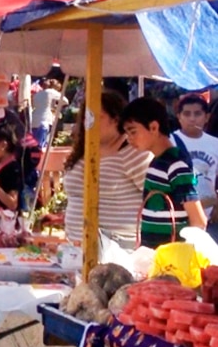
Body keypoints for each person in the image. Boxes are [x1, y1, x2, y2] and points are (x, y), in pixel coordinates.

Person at [63, 91, 151, 248]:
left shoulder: (134, 153)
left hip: (118, 249)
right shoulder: (82, 152)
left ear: (116, 119)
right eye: (86, 116)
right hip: (75, 248)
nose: (89, 122)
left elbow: (154, 198)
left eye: (98, 116)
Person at [121, 97, 207, 249]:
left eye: (133, 132)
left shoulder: (176, 164)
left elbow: (198, 220)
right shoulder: (156, 162)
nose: (129, 139)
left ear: (154, 127)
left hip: (172, 259)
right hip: (153, 256)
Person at [171, 95, 218, 239]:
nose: (192, 118)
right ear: (179, 116)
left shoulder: (215, 143)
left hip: (209, 217)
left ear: (207, 117)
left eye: (197, 114)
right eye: (186, 114)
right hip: (179, 215)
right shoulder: (170, 141)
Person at [29, 78, 67, 148]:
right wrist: (56, 106)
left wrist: (51, 105)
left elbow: (34, 105)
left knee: (34, 145)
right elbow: (65, 100)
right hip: (45, 120)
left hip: (34, 120)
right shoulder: (51, 92)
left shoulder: (37, 94)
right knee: (42, 145)